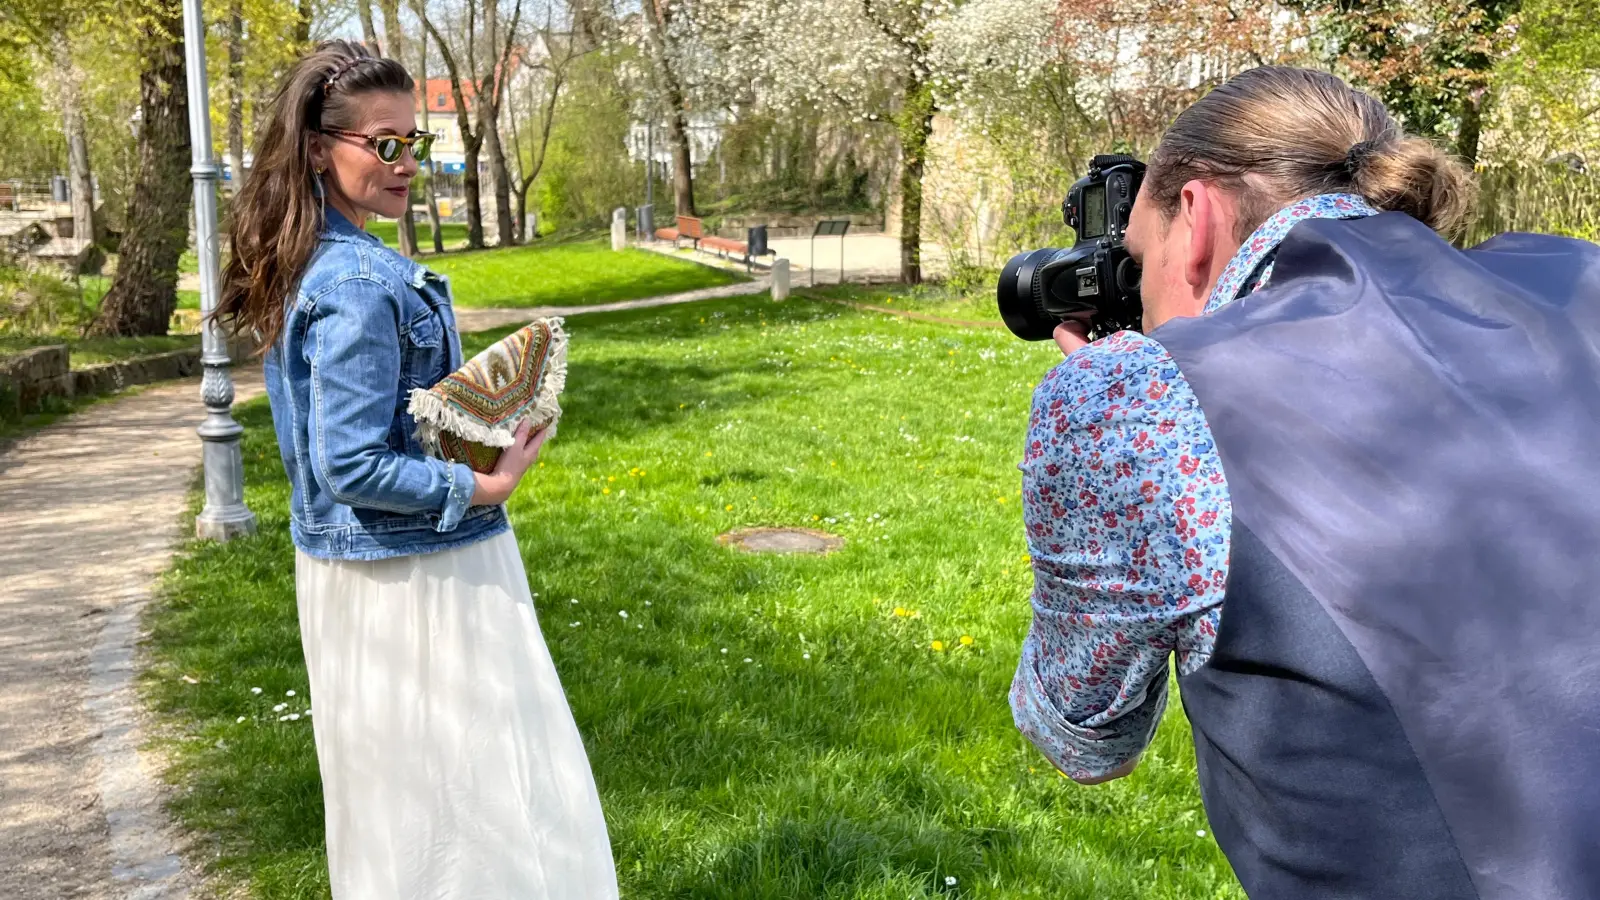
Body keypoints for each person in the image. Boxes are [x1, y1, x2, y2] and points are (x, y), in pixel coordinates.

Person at [1011, 66, 1600, 898]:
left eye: (1142, 266)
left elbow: (1082, 738)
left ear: (1198, 215)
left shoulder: (1135, 393)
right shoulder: (1579, 277)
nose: (1139, 304)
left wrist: (1110, 417)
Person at [216, 41, 617, 899]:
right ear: (323, 149)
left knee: (406, 800)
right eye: (384, 145)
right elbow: (350, 461)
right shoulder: (359, 281)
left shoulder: (324, 261)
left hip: (368, 576)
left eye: (417, 145)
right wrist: (480, 483)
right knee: (481, 796)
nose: (406, 166)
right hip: (418, 578)